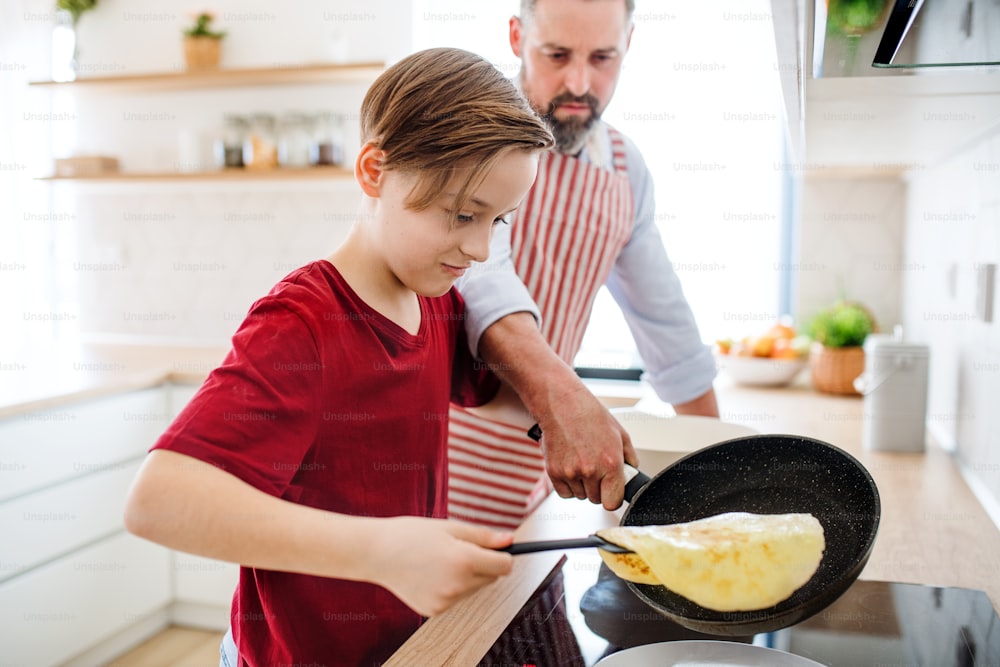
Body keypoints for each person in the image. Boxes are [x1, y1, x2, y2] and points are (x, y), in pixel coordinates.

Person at [122, 47, 554, 666]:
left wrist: (573, 415)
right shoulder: (303, 325)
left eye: (501, 221)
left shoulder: (435, 300)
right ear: (375, 171)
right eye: (463, 215)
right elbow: (158, 502)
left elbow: (502, 398)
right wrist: (380, 552)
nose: (482, 248)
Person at [448, 0, 720, 529]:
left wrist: (723, 472)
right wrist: (564, 398)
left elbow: (668, 328)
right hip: (431, 461)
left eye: (602, 57)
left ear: (629, 45)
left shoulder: (625, 170)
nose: (579, 82)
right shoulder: (471, 133)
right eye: (556, 55)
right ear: (515, 37)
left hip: (532, 473)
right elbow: (479, 277)